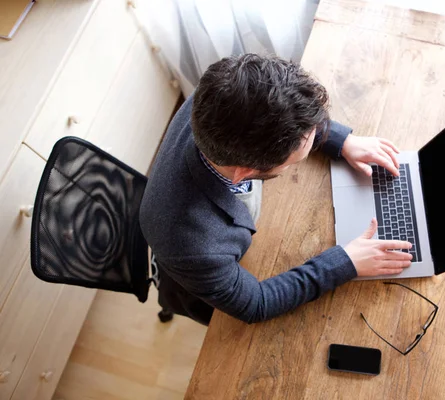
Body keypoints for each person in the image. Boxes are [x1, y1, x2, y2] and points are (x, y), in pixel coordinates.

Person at [139, 54, 413, 325]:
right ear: (247, 171)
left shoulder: (224, 87)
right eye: (294, 161)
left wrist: (342, 142)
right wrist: (346, 261)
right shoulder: (194, 246)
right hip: (205, 289)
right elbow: (257, 303)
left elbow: (275, 108)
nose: (316, 134)